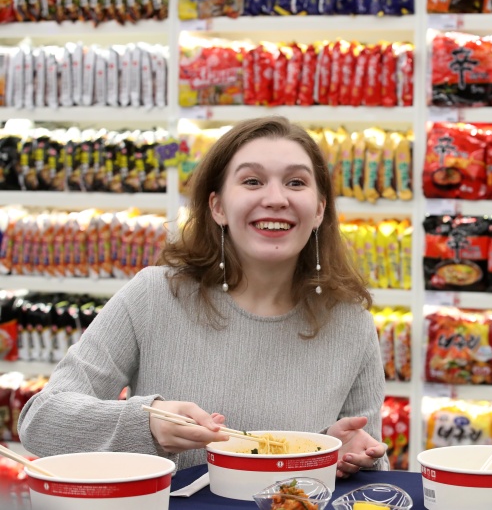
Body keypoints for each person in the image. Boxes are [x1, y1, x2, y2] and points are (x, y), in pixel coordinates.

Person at [18, 117, 388, 476]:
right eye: (252, 181)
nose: (276, 198)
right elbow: (41, 420)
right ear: (218, 207)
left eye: (295, 182)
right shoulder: (155, 295)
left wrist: (341, 456)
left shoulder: (350, 321)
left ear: (320, 209)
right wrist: (146, 423)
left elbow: (371, 462)